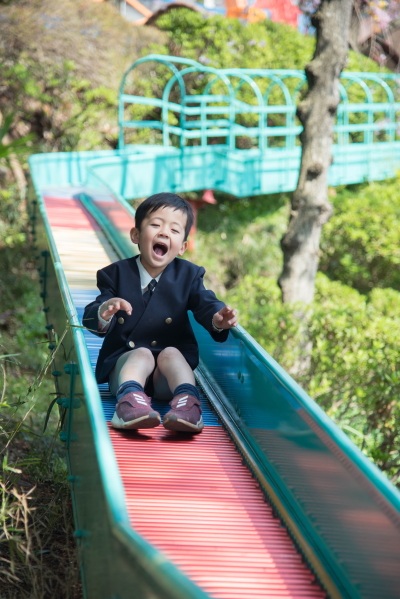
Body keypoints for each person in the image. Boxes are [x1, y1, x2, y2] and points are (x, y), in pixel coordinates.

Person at [83, 192, 238, 434]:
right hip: (125, 369)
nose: (164, 233)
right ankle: (130, 403)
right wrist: (105, 311)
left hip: (166, 379)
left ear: (183, 247)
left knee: (173, 354)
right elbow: (95, 313)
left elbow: (205, 302)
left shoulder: (189, 276)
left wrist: (217, 319)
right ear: (136, 234)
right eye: (155, 225)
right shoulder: (115, 274)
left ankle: (188, 404)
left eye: (175, 230)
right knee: (141, 353)